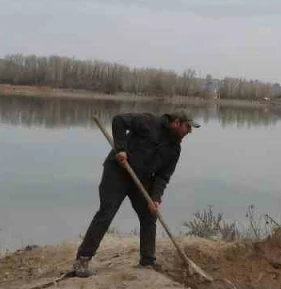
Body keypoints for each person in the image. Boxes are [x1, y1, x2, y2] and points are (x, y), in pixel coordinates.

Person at [71, 109, 199, 277]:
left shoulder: (174, 149)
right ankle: (83, 259)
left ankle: (147, 261)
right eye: (187, 127)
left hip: (142, 179)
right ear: (176, 123)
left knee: (149, 215)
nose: (189, 132)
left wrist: (155, 198)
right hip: (117, 173)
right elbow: (118, 120)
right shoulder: (148, 122)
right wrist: (121, 149)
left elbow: (163, 176)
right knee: (106, 213)